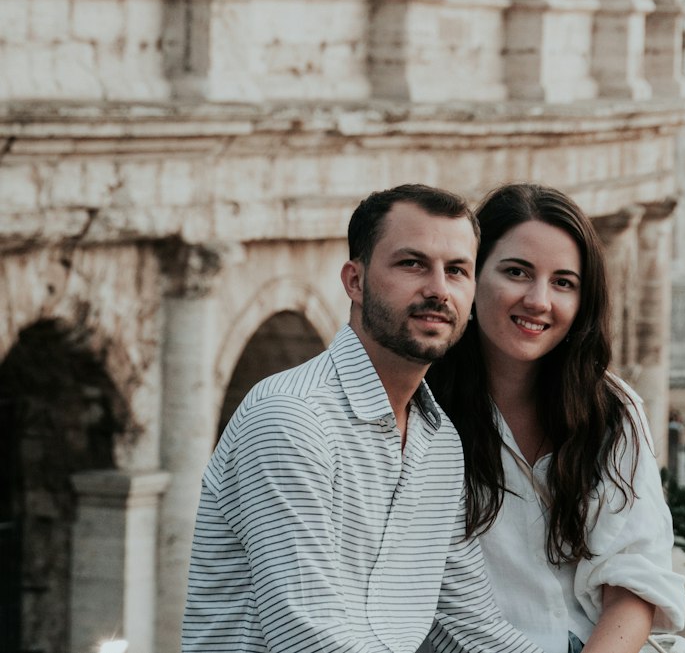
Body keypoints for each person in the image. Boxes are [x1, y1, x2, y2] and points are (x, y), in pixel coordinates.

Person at [183, 182, 547, 653]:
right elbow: (307, 639)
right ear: (355, 281)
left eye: (457, 270)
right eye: (412, 263)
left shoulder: (438, 442)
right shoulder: (290, 420)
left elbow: (468, 628)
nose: (438, 289)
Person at [428, 183, 685, 653]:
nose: (538, 300)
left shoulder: (610, 409)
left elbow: (633, 582)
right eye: (516, 272)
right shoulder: (422, 407)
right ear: (472, 274)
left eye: (563, 282)